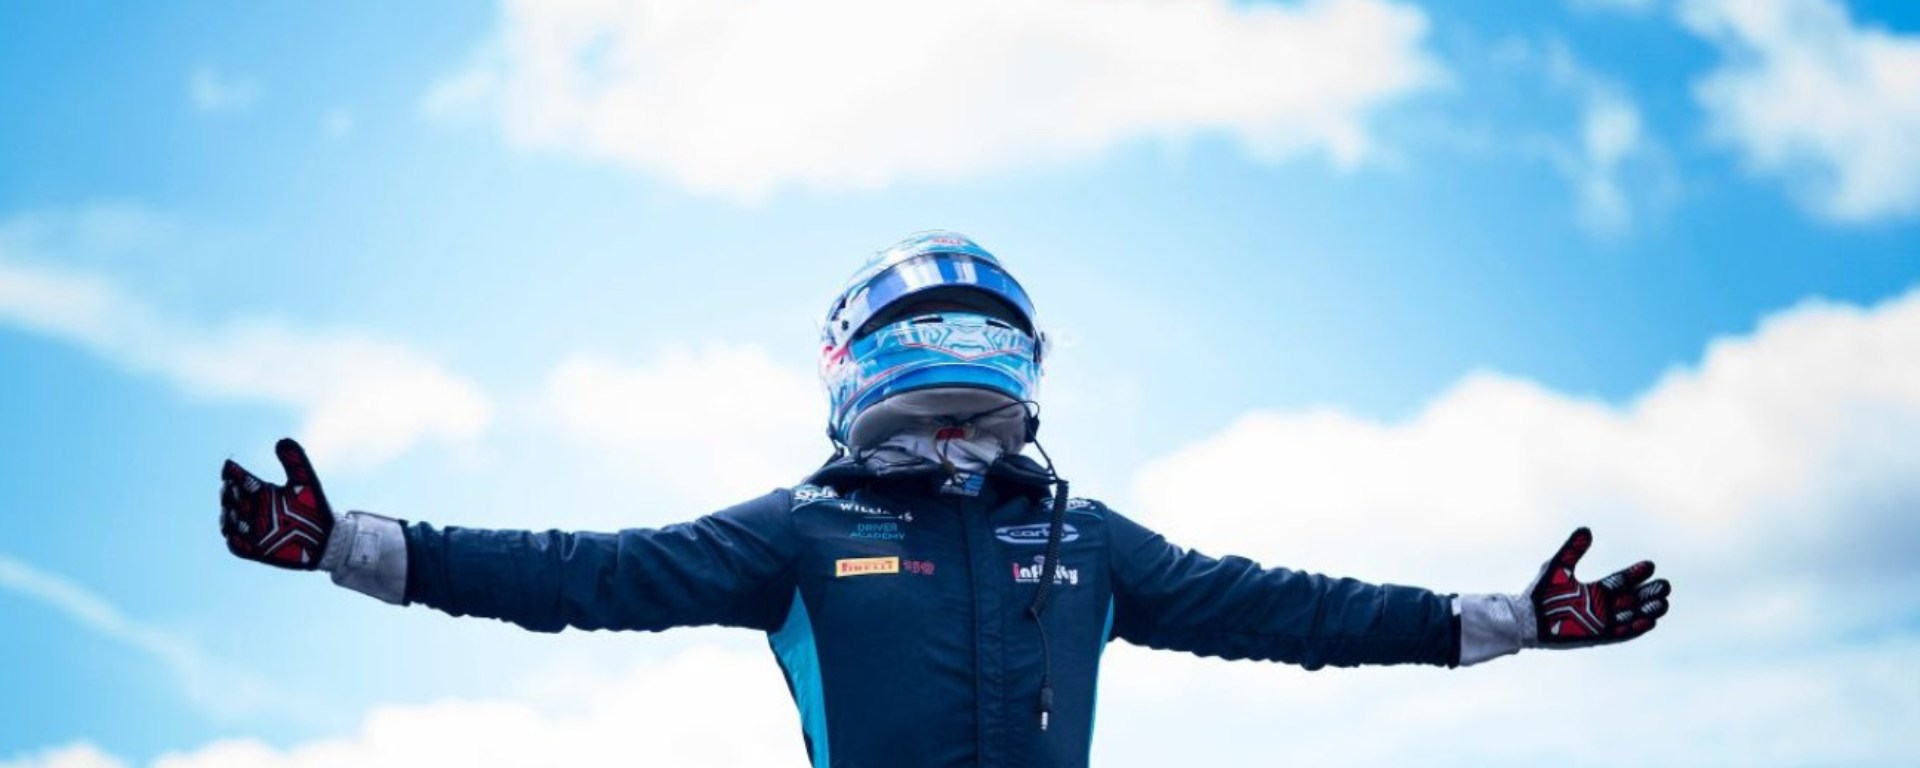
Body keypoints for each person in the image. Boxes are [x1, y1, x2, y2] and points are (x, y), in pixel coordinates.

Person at [219, 231, 1673, 767]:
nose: (965, 396)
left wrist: (1511, 623)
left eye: (992, 361)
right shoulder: (801, 530)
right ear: (858, 367)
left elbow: (1296, 611)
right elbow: (587, 573)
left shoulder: (1089, 538)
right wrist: (353, 545)